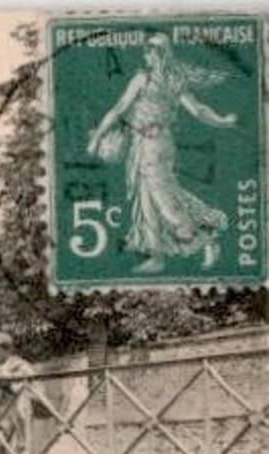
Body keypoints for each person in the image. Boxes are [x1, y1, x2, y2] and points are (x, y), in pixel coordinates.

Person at [86, 33, 237, 274]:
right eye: (146, 51)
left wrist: (221, 121)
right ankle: (156, 256)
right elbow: (119, 109)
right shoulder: (146, 79)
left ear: (161, 53)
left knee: (163, 197)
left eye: (151, 51)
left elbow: (197, 110)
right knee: (144, 197)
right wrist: (98, 137)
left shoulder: (167, 80)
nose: (146, 55)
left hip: (156, 144)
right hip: (139, 143)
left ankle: (205, 239)